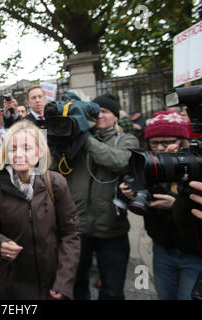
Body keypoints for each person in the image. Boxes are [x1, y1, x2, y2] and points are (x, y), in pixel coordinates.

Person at [120, 110, 202, 300]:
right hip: (163, 250)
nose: (162, 148)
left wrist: (176, 205)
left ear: (184, 142)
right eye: (155, 143)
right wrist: (130, 194)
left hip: (195, 255)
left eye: (168, 141)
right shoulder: (149, 167)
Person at [0, 120, 81, 299]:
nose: (19, 154)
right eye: (13, 149)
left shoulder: (55, 183)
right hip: (11, 289)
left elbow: (71, 234)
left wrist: (63, 281)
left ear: (39, 151)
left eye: (27, 148)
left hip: (51, 287)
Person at [70, 92, 140, 300]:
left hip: (112, 229)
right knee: (75, 285)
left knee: (112, 290)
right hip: (78, 227)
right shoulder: (78, 140)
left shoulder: (126, 140)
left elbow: (120, 161)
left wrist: (87, 140)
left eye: (106, 112)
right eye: (96, 112)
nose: (100, 116)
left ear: (116, 116)